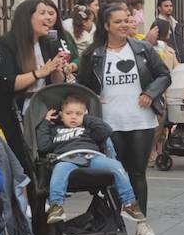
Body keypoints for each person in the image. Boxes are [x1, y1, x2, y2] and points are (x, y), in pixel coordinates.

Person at [77, 3, 170, 235]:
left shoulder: (142, 49)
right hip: (109, 121)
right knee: (115, 173)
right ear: (106, 26)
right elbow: (82, 87)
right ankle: (113, 222)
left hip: (141, 120)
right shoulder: (93, 54)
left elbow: (164, 75)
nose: (123, 25)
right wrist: (91, 98)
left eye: (126, 20)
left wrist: (150, 93)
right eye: (117, 22)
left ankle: (142, 222)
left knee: (137, 173)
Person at [36, 94, 146, 223]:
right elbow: (43, 146)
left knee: (116, 166)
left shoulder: (88, 128)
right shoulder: (56, 130)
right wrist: (46, 122)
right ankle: (56, 206)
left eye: (78, 114)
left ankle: (129, 204)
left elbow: (106, 131)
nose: (73, 116)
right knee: (59, 170)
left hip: (92, 157)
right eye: (69, 113)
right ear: (61, 114)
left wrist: (87, 117)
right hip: (67, 158)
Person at [0, 0, 68, 163]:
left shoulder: (48, 43)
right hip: (15, 113)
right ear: (27, 18)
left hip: (44, 110)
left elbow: (57, 82)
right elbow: (7, 83)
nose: (49, 17)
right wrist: (40, 72)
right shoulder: (6, 44)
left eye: (50, 13)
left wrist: (57, 69)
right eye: (42, 13)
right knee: (22, 159)